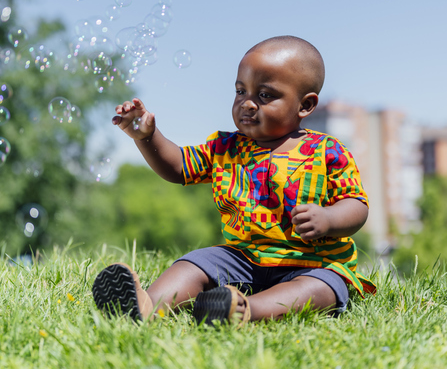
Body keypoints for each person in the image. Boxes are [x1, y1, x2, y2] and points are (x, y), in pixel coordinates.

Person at [92, 35, 376, 325]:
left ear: (305, 105)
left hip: (311, 263)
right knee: (194, 264)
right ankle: (147, 305)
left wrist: (328, 219)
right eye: (241, 91)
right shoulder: (225, 148)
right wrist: (147, 136)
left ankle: (242, 310)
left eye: (265, 95)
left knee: (322, 288)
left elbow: (356, 204)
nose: (247, 104)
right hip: (242, 258)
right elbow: (178, 167)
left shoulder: (328, 151)